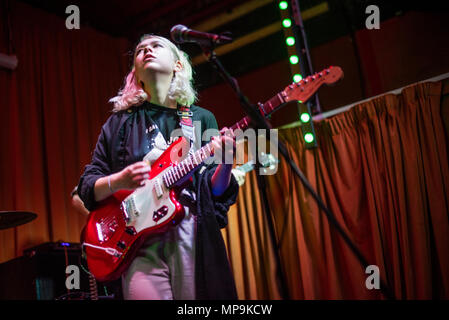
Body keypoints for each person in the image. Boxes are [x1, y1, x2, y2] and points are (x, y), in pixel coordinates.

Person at [77, 34, 239, 300]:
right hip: (137, 243)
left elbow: (215, 190)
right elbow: (88, 184)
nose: (147, 50)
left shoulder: (201, 118)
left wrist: (226, 162)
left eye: (156, 46)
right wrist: (119, 180)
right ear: (136, 72)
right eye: (140, 50)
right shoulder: (118, 124)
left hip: (189, 231)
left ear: (178, 65)